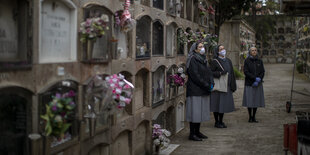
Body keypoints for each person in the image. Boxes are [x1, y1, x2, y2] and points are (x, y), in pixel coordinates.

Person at [186, 41, 214, 141]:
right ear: (195, 49)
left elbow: (209, 72)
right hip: (195, 90)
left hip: (203, 89)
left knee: (200, 112)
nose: (203, 48)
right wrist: (206, 85)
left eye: (203, 46)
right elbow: (195, 76)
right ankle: (192, 134)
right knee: (195, 112)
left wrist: (211, 83)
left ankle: (197, 132)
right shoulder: (193, 59)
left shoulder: (203, 59)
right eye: (200, 47)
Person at [210, 45, 237, 128]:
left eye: (223, 48)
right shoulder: (215, 61)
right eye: (221, 49)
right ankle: (216, 122)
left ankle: (221, 121)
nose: (223, 50)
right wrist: (220, 73)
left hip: (226, 86)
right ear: (217, 51)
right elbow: (210, 73)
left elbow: (232, 73)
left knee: (223, 105)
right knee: (216, 104)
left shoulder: (228, 61)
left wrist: (233, 85)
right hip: (218, 86)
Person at [242, 46, 265, 123]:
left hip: (258, 83)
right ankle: (250, 116)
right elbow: (246, 71)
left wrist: (259, 79)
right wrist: (254, 78)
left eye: (255, 50)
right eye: (252, 50)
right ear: (250, 52)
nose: (254, 52)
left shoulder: (259, 61)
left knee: (256, 100)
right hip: (249, 83)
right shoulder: (247, 61)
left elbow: (262, 71)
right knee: (250, 100)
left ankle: (254, 116)